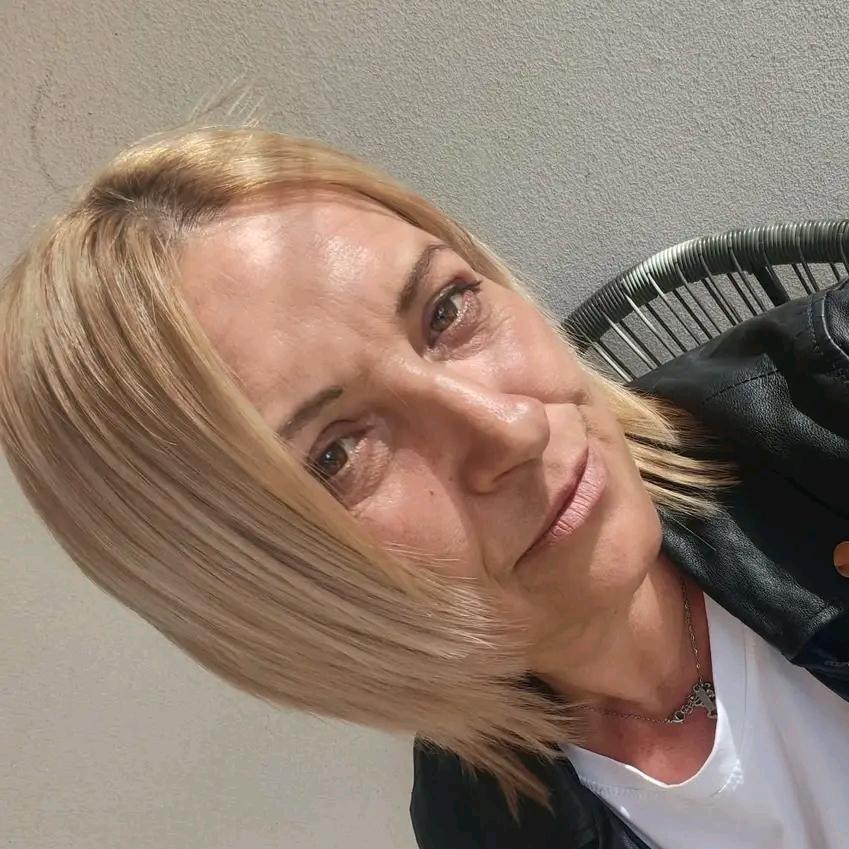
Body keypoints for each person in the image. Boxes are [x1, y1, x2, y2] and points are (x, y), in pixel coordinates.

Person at [1, 125, 847, 849]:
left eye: (446, 310)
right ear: (262, 594)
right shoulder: (476, 826)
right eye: (336, 454)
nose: (510, 429)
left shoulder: (829, 401)